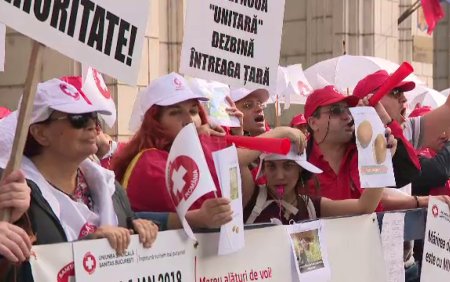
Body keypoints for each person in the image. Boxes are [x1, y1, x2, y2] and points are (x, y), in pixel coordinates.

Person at [0, 78, 159, 280]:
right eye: (78, 119)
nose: (93, 126)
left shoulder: (110, 187)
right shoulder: (12, 193)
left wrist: (141, 228)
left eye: (94, 118)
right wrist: (90, 245)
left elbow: (134, 241)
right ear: (40, 133)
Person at [112, 73, 233, 219]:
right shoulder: (148, 163)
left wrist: (237, 134)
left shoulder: (195, 151)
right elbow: (205, 203)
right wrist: (207, 145)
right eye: (175, 113)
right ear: (155, 122)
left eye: (194, 111)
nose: (189, 120)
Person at [241, 143, 391, 225]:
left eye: (288, 166)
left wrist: (382, 159)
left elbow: (364, 206)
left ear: (300, 169)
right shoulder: (250, 196)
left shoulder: (311, 206)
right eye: (271, 166)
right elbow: (236, 160)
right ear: (264, 168)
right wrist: (279, 133)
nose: (279, 176)